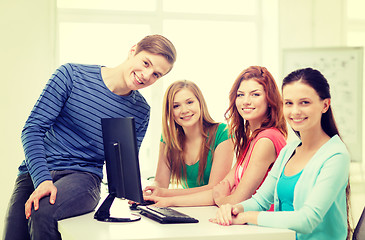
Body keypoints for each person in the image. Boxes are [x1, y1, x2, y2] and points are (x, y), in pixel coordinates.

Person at [3, 34, 177, 240]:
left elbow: (122, 166)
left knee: (43, 211)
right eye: (146, 63)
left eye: (156, 74)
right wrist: (43, 180)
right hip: (35, 172)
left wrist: (133, 193)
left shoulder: (140, 110)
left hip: (83, 178)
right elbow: (32, 129)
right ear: (133, 51)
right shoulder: (71, 75)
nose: (147, 75)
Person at [210, 68, 351, 240]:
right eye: (289, 103)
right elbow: (260, 201)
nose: (295, 111)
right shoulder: (288, 151)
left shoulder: (336, 156)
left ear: (325, 105)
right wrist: (234, 209)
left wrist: (246, 217)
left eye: (304, 102)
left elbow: (307, 219)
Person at [144, 66, 287, 207]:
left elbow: (233, 199)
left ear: (269, 99)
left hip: (263, 224)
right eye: (240, 95)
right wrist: (167, 200)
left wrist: (221, 199)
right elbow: (222, 190)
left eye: (255, 94)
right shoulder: (252, 140)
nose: (246, 101)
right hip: (250, 221)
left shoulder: (266, 140)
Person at [144, 80, 234, 198]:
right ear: (170, 112)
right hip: (189, 206)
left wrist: (165, 193)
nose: (184, 110)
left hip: (218, 208)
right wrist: (150, 192)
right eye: (176, 106)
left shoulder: (223, 133)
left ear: (200, 103)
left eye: (189, 102)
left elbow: (214, 188)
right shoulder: (169, 138)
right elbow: (161, 183)